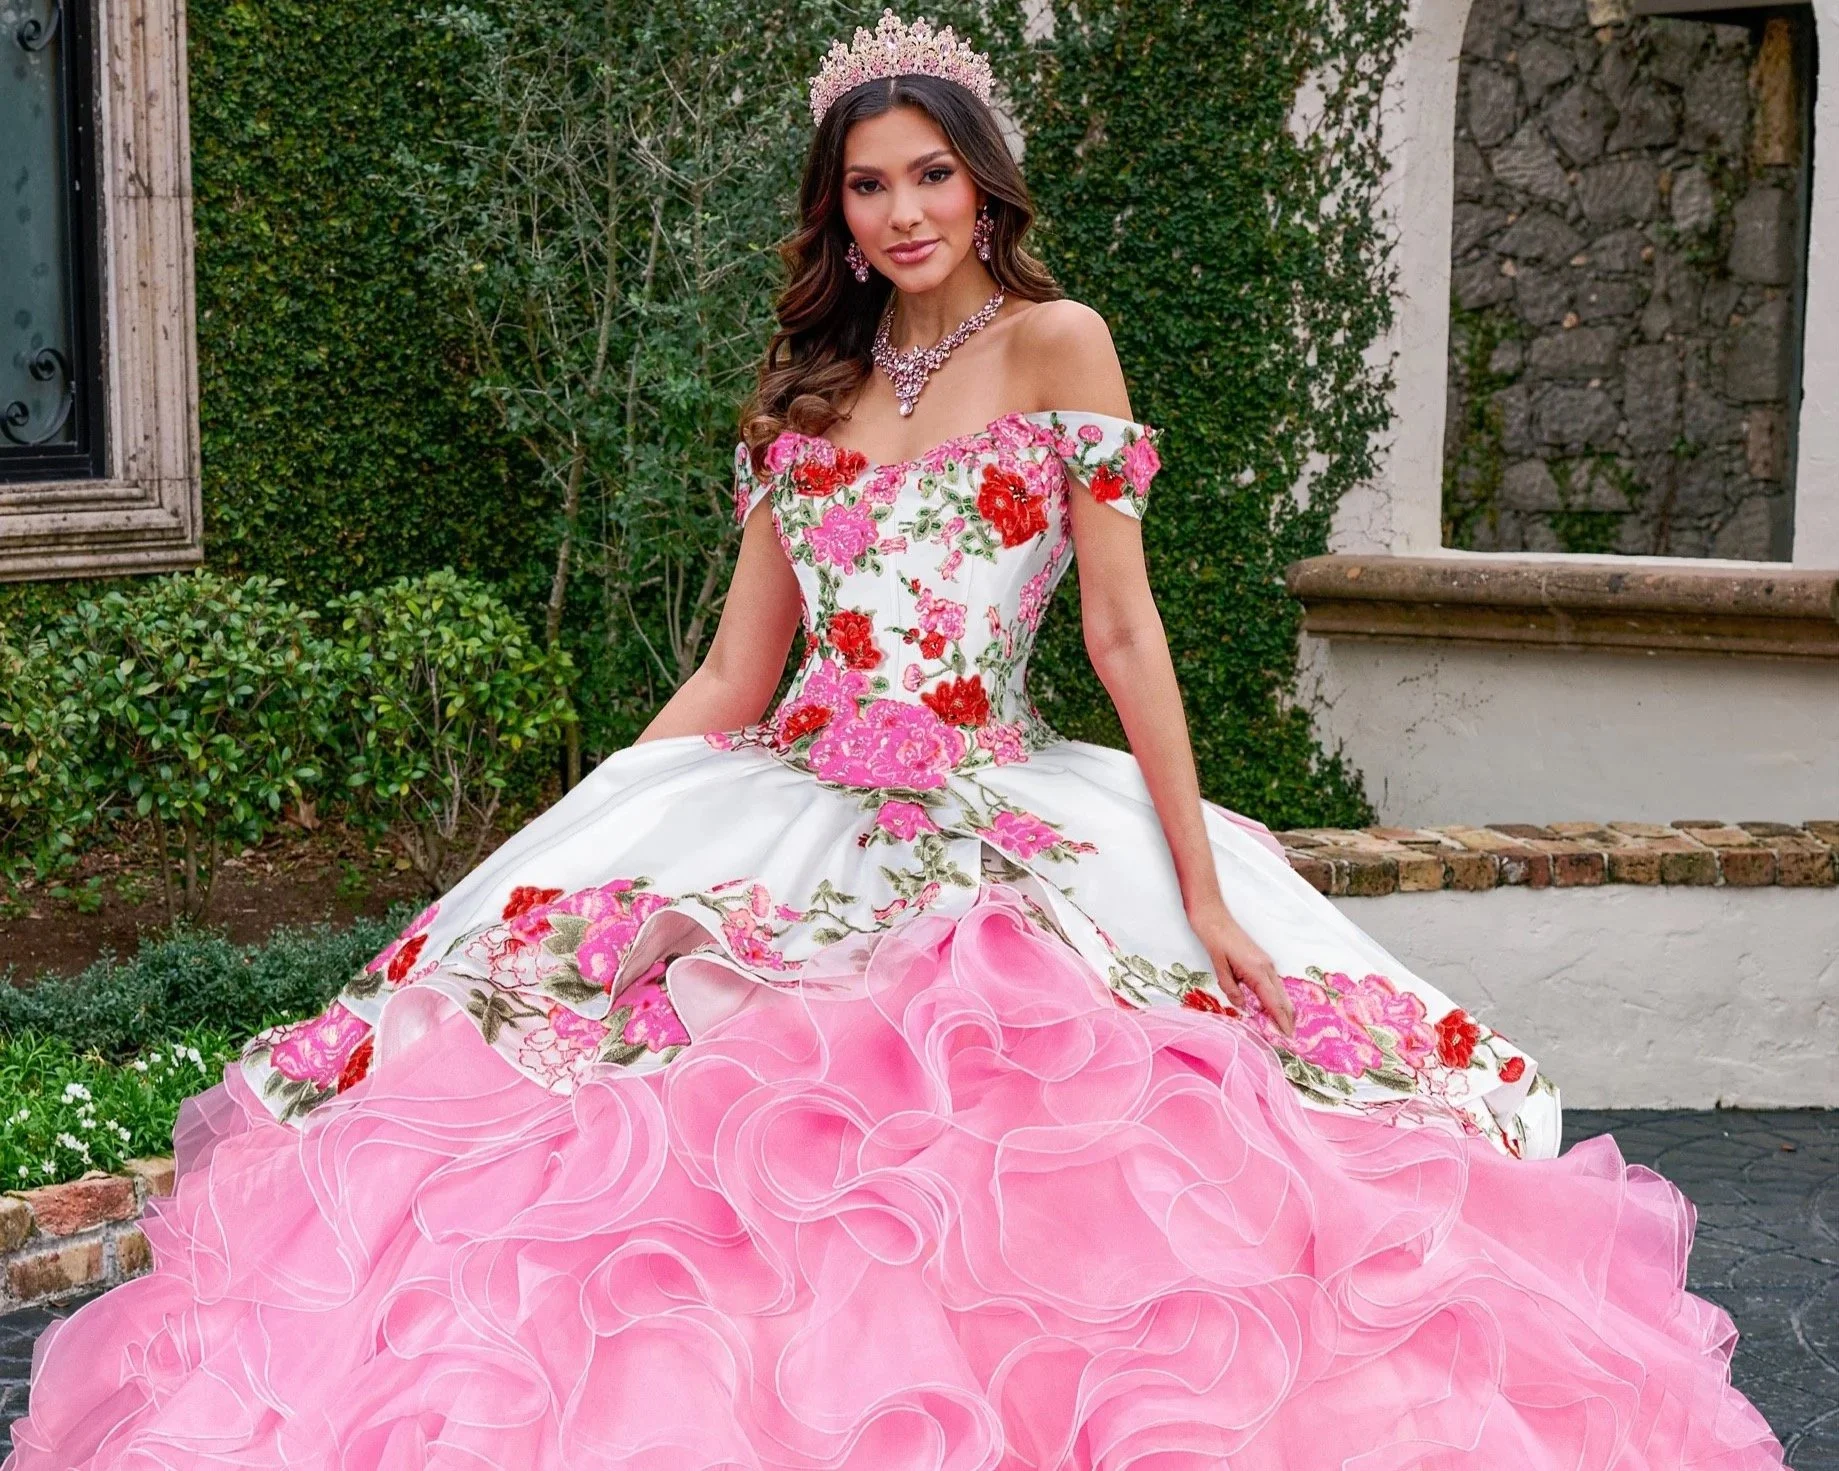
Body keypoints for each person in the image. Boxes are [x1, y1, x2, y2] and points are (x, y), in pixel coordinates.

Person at [5, 13, 1787, 1468]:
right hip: (791, 809)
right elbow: (731, 672)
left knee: (1069, 1162)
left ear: (981, 182)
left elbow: (1116, 628)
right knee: (691, 1177)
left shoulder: (1059, 346)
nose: (898, 211)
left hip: (1006, 810)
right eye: (865, 184)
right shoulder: (798, 391)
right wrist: (586, 835)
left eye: (927, 174)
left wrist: (1205, 883)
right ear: (832, 204)